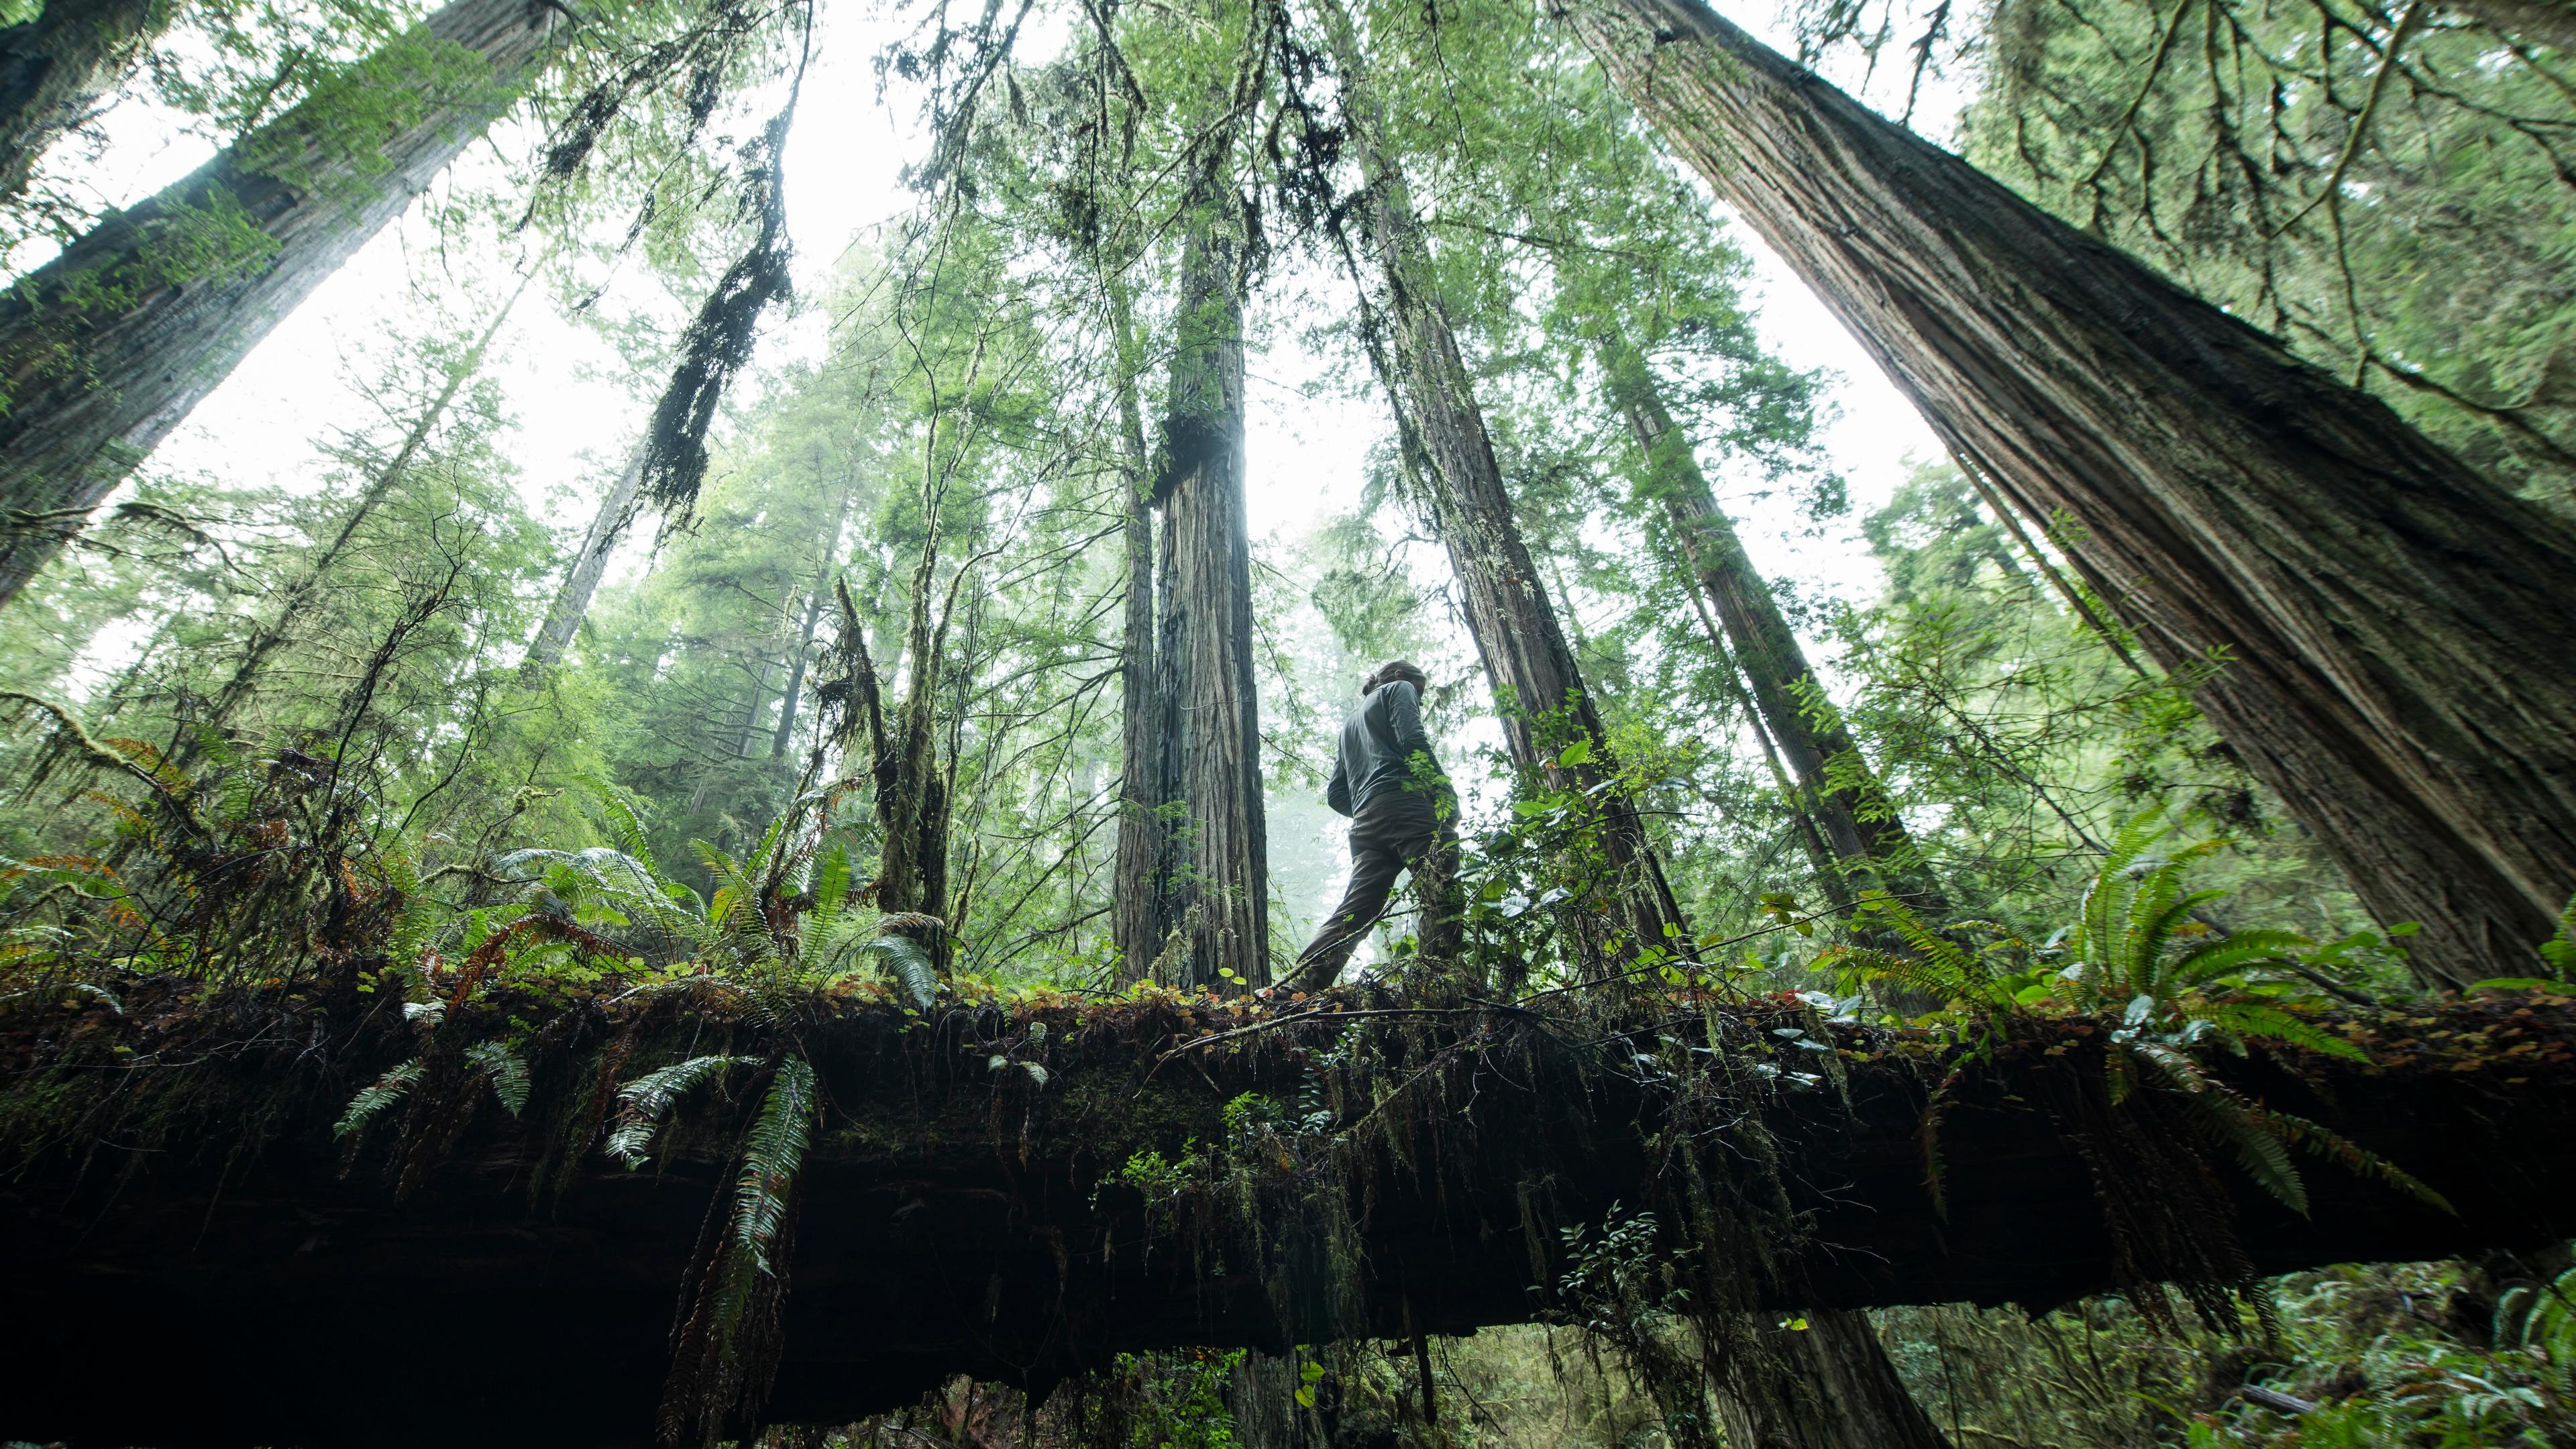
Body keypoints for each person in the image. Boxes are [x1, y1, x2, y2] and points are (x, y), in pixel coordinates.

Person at [1279, 660, 1461, 994]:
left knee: (1354, 912)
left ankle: (1294, 991)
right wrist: (1443, 791)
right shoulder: (1398, 688)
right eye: (1419, 695)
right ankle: (1437, 992)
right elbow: (1413, 738)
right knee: (1443, 894)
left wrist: (1371, 806)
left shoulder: (1350, 723)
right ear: (1399, 676)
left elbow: (1336, 794)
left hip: (1366, 823)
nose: (1417, 701)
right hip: (1407, 805)